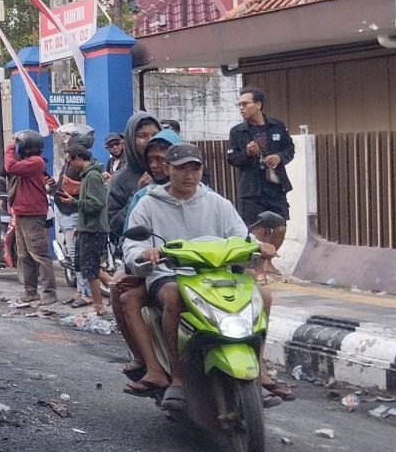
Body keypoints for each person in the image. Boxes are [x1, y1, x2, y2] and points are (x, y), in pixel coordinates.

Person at [122, 143, 293, 409]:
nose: (189, 175)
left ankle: (259, 368)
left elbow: (241, 235)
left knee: (264, 296)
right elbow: (132, 245)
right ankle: (177, 377)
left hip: (215, 275)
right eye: (181, 169)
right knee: (172, 296)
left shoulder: (216, 202)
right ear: (168, 169)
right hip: (171, 274)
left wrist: (259, 246)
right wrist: (145, 254)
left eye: (195, 168)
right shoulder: (148, 204)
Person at [110, 129, 181, 387]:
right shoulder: (144, 198)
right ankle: (151, 364)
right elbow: (130, 236)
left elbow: (233, 232)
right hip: (157, 271)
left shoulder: (209, 198)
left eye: (163, 159)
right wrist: (139, 259)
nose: (156, 165)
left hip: (203, 273)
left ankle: (259, 373)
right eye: (152, 160)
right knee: (123, 291)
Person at [227, 87, 294, 278]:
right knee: (256, 230)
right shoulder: (237, 132)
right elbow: (232, 159)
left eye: (245, 104)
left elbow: (289, 148)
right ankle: (258, 270)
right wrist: (247, 153)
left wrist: (279, 157)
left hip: (275, 184)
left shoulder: (277, 126)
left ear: (258, 105)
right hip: (251, 188)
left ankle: (267, 262)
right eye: (239, 104)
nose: (241, 108)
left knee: (280, 226)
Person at [3, 130, 58, 308]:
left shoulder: (35, 162)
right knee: (24, 255)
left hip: (32, 214)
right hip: (21, 213)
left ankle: (49, 292)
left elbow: (10, 167)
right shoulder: (29, 163)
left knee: (39, 254)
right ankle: (30, 291)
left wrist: (9, 147)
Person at [55, 146, 112, 316]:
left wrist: (74, 202)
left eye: (70, 160)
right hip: (86, 228)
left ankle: (99, 305)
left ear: (79, 158)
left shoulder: (92, 177)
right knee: (85, 265)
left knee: (91, 268)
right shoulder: (87, 176)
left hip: (94, 229)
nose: (68, 164)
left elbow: (96, 204)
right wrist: (79, 228)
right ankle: (110, 291)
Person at [107, 111, 161, 246]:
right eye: (142, 136)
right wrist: (138, 194)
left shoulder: (172, 171)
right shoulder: (120, 179)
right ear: (131, 140)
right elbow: (116, 226)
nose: (150, 140)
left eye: (155, 135)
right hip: (139, 254)